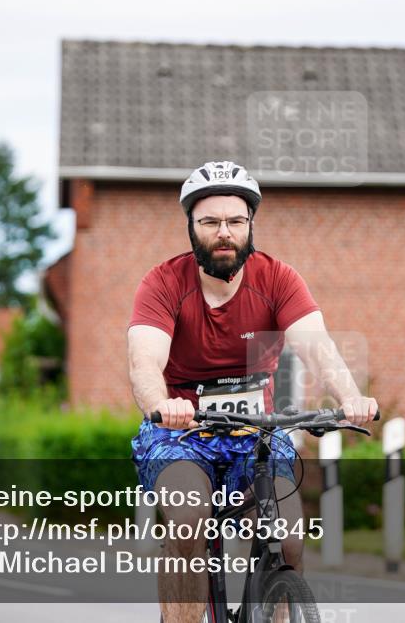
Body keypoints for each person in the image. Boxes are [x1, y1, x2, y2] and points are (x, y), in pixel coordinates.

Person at [128, 160, 377, 623]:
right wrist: (161, 404)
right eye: (211, 222)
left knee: (288, 540)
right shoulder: (162, 283)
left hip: (254, 433)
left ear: (249, 226)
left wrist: (349, 396)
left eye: (236, 222)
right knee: (187, 523)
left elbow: (318, 347)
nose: (224, 232)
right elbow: (144, 361)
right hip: (180, 433)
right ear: (191, 227)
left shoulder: (279, 279)